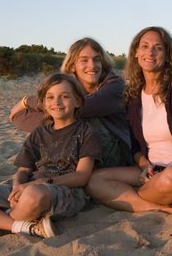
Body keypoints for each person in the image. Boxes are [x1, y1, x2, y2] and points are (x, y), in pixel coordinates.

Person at [85, 27, 172, 217]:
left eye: (158, 47)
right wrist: (144, 166)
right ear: (136, 53)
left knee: (170, 178)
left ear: (167, 54)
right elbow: (135, 146)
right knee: (95, 181)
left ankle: (143, 198)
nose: (150, 52)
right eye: (145, 46)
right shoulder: (133, 94)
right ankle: (165, 207)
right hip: (154, 170)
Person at [0, 73, 101, 238]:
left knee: (34, 195)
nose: (56, 102)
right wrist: (17, 188)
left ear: (77, 101)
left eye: (64, 96)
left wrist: (41, 182)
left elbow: (82, 176)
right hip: (28, 187)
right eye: (50, 97)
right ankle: (23, 226)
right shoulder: (39, 132)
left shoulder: (85, 131)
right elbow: (23, 169)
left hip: (64, 191)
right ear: (43, 103)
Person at [9, 37, 131, 167]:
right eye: (84, 60)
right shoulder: (67, 87)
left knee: (72, 119)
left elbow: (84, 108)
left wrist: (27, 101)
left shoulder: (115, 85)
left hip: (117, 155)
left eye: (97, 59)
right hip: (81, 153)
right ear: (73, 66)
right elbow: (18, 117)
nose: (92, 65)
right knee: (56, 122)